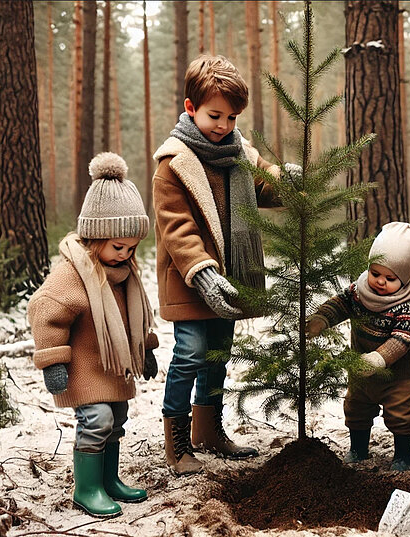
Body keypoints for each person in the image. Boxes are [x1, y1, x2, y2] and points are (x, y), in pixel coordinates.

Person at [153, 54, 284, 475]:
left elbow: (267, 186)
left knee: (217, 355)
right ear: (191, 108)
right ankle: (177, 439)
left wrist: (290, 180)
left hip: (231, 277)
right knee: (190, 353)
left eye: (231, 117)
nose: (224, 125)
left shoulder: (239, 153)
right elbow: (177, 229)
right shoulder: (173, 163)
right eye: (215, 115)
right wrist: (204, 272)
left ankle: (208, 431)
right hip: (192, 281)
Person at [28, 152, 159, 517]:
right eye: (119, 246)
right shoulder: (73, 273)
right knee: (97, 420)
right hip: (84, 369)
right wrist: (52, 361)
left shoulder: (123, 272)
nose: (126, 254)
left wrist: (144, 349)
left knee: (116, 419)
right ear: (95, 236)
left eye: (132, 248)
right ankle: (86, 489)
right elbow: (45, 311)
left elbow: (133, 316)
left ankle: (108, 480)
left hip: (113, 366)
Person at [307, 222, 410, 471]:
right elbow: (339, 304)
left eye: (390, 278)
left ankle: (403, 456)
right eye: (375, 273)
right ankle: (358, 448)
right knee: (356, 408)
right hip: (360, 369)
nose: (381, 282)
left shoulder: (404, 307)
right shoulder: (358, 293)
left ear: (403, 280)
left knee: (400, 413)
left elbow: (402, 339)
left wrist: (379, 359)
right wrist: (321, 319)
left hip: (396, 375)